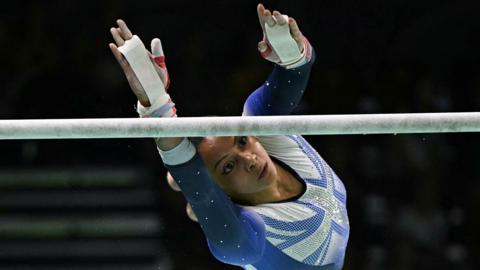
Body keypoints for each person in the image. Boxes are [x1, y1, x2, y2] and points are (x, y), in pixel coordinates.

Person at [109, 3, 349, 270]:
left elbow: (292, 75)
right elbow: (205, 196)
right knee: (197, 192)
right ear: (219, 188)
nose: (248, 159)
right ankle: (187, 186)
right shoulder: (248, 236)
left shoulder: (262, 128)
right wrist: (157, 111)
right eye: (229, 166)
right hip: (232, 216)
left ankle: (187, 183)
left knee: (194, 181)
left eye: (242, 142)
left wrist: (294, 55)